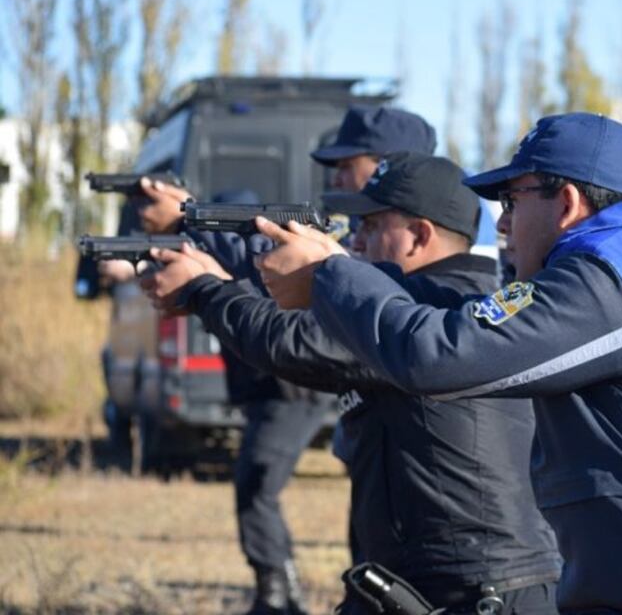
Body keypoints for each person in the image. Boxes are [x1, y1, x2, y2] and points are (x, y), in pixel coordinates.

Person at [279, 113, 622, 614]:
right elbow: (472, 318)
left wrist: (330, 277)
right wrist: (345, 268)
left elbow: (436, 357)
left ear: (569, 202)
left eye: (513, 201)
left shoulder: (605, 281)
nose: (500, 225)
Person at [141, 152, 562, 614]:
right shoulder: (445, 297)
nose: (354, 242)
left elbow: (290, 342)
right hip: (427, 578)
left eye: (370, 226)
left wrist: (206, 289)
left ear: (419, 235)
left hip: (474, 589)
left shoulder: (428, 308)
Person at [136, 105, 438, 615]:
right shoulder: (371, 231)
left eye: (349, 163)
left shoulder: (415, 239)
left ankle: (278, 593)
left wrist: (195, 233)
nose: (336, 176)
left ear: (392, 164)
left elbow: (292, 312)